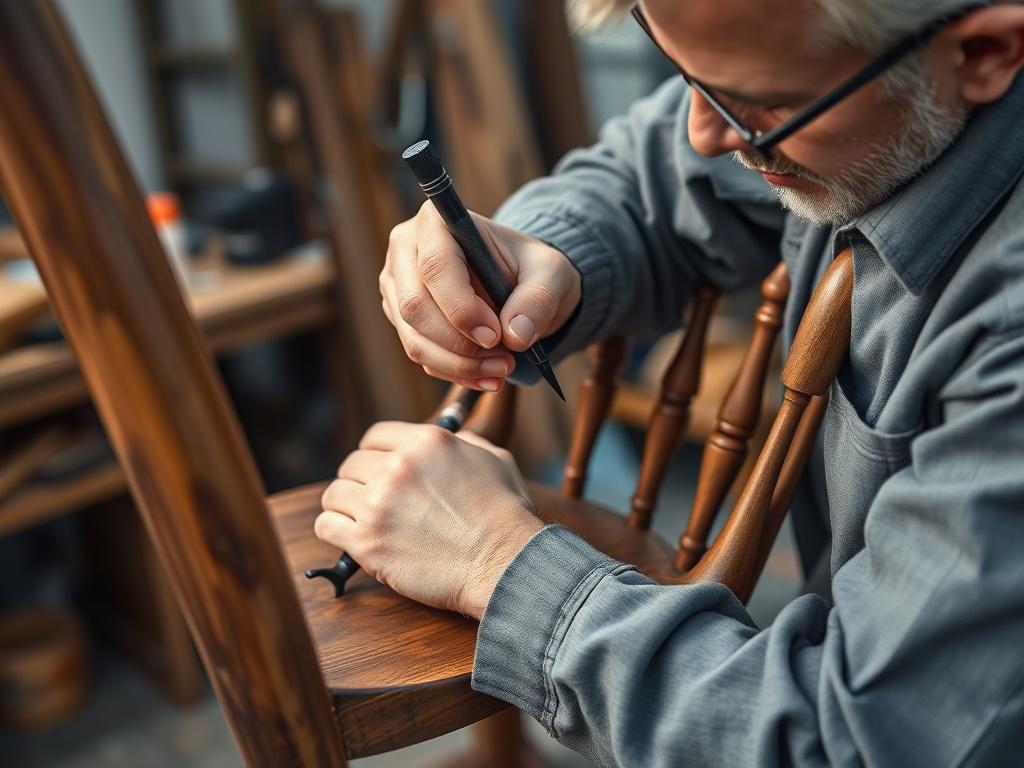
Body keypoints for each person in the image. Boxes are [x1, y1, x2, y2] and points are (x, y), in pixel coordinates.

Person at [314, 1, 1024, 764]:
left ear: (984, 53)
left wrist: (498, 567)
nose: (703, 135)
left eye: (762, 108)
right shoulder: (850, 82)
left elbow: (853, 744)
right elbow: (649, 170)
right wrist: (545, 248)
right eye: (684, 74)